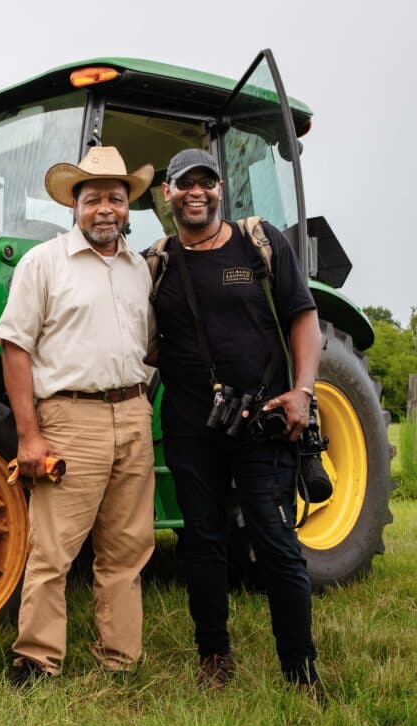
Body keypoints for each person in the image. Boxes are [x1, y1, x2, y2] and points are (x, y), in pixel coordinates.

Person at [150, 148, 323, 689]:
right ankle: (214, 658)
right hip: (191, 427)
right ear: (167, 193)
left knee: (275, 541)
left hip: (264, 420)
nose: (195, 192)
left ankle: (300, 670)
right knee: (202, 542)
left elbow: (304, 318)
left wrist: (303, 392)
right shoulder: (157, 262)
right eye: (184, 183)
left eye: (205, 182)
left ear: (220, 188)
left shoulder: (260, 242)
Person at [0, 146, 158, 682]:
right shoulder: (43, 263)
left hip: (133, 414)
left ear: (128, 206)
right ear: (74, 205)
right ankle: (38, 659)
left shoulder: (140, 270)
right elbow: (14, 347)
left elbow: (149, 345)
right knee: (53, 549)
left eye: (115, 198)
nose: (105, 209)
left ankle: (121, 658)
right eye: (93, 199)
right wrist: (29, 436)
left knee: (128, 546)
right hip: (71, 418)